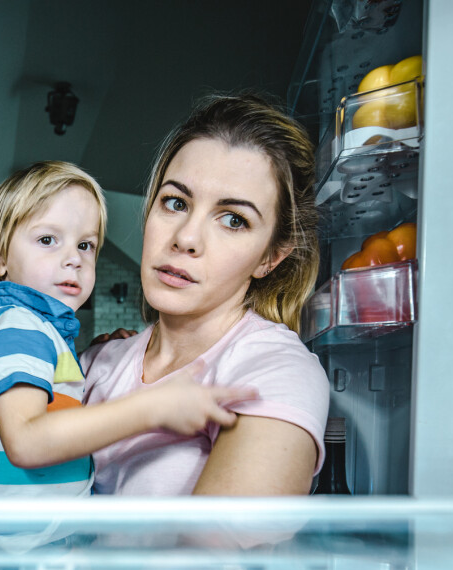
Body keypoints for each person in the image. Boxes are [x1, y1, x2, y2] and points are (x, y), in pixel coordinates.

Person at [0, 161, 254, 556]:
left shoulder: (34, 333)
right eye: (47, 240)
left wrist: (93, 350)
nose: (73, 258)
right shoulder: (17, 330)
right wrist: (151, 408)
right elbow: (26, 440)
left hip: (28, 546)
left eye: (85, 245)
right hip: (20, 553)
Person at [81, 94, 329, 508]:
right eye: (175, 202)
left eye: (234, 220)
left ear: (270, 258)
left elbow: (216, 562)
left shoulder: (274, 371)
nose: (186, 238)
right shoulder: (96, 364)